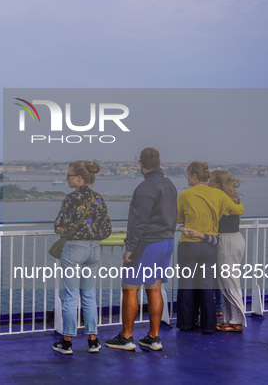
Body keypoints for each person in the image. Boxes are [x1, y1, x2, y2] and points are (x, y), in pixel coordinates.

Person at [104, 148, 177, 351]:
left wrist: (130, 248)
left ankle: (126, 337)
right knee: (154, 288)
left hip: (147, 243)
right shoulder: (170, 185)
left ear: (140, 164)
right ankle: (153, 337)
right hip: (166, 242)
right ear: (160, 162)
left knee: (130, 289)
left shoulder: (145, 188)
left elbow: (139, 221)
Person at [176, 162, 244, 334]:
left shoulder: (185, 195)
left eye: (188, 174)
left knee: (186, 286)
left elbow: (178, 219)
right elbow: (238, 209)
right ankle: (208, 325)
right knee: (207, 287)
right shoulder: (218, 195)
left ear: (193, 176)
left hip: (188, 245)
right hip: (209, 246)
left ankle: (186, 323)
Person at [52, 161, 112, 355]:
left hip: (74, 249)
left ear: (79, 178)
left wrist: (71, 233)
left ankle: (67, 342)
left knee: (71, 296)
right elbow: (106, 228)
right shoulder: (98, 199)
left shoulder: (71, 199)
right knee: (89, 295)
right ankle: (93, 341)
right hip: (93, 249)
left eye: (69, 175)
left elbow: (59, 226)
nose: (66, 178)